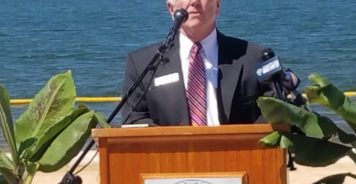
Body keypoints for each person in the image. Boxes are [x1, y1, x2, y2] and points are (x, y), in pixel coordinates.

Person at [121, 0, 290, 126]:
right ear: (171, 8)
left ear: (218, 6)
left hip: (239, 164)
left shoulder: (254, 57)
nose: (194, 2)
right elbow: (134, 118)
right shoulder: (143, 63)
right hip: (171, 167)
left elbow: (276, 112)